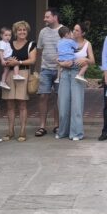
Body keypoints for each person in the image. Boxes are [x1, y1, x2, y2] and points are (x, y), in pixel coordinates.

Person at [57, 23, 95, 141]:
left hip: (78, 74)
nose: (74, 32)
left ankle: (76, 133)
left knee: (77, 105)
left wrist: (85, 59)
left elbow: (93, 61)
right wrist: (61, 63)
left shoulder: (87, 44)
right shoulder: (66, 40)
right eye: (73, 29)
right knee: (63, 104)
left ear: (83, 33)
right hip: (65, 72)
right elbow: (58, 56)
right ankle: (63, 132)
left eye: (77, 30)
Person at [1, 20, 37, 142]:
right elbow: (1, 57)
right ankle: (10, 131)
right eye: (19, 30)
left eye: (24, 30)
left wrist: (18, 62)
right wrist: (6, 62)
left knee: (22, 104)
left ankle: (22, 131)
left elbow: (32, 60)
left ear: (27, 32)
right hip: (9, 74)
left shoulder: (31, 44)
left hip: (23, 73)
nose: (22, 32)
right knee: (10, 104)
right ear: (15, 32)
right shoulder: (8, 44)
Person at [35, 8, 64, 137]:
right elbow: (39, 49)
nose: (44, 19)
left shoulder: (64, 31)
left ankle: (57, 125)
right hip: (45, 69)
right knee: (43, 96)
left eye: (47, 17)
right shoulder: (43, 32)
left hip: (60, 70)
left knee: (58, 98)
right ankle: (42, 126)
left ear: (55, 17)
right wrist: (38, 69)